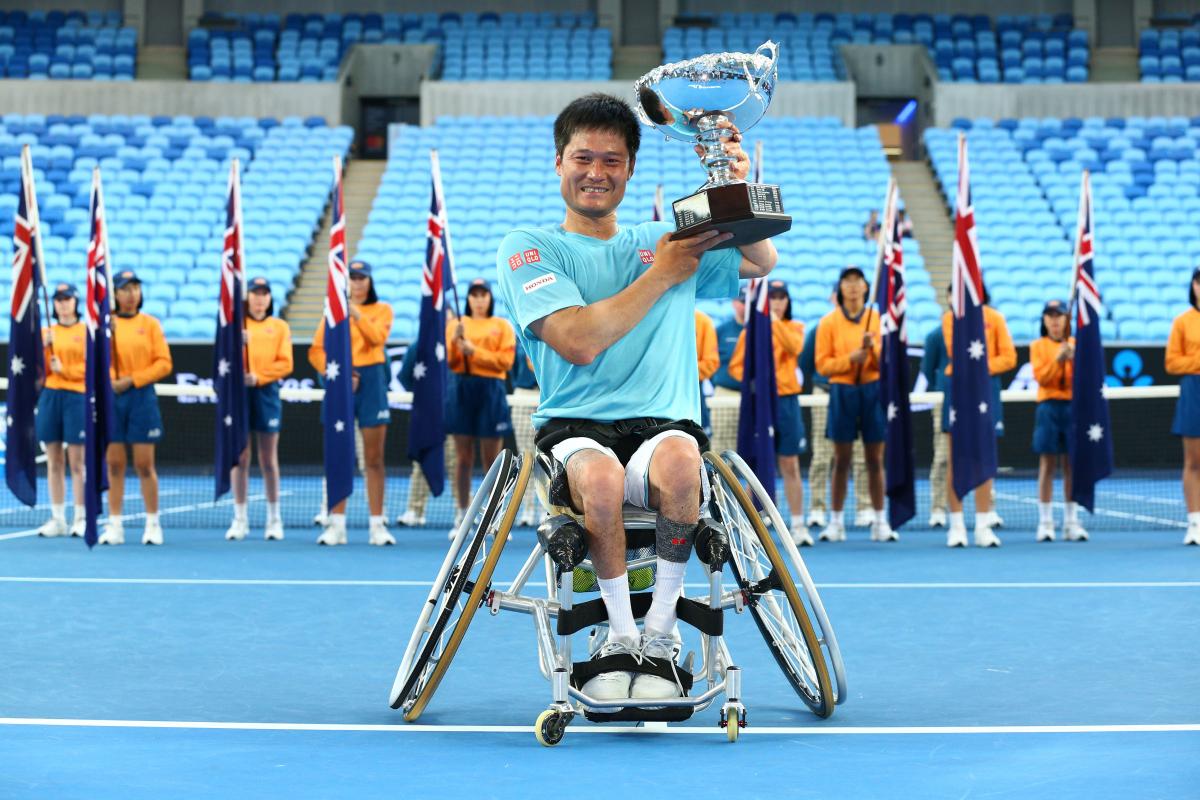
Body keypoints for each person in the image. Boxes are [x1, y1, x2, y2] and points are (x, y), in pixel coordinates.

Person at [494, 93, 776, 705]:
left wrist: (733, 182)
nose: (596, 172)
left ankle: (659, 634)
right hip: (575, 427)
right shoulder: (530, 247)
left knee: (682, 464)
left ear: (630, 169)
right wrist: (663, 274)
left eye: (612, 161)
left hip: (663, 426)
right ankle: (619, 637)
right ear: (559, 162)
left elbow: (761, 257)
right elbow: (576, 341)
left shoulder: (665, 237)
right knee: (597, 480)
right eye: (583, 157)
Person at [307, 259, 395, 546]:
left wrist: (353, 311)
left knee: (374, 458)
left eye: (362, 278)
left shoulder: (382, 310)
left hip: (372, 382)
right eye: (353, 278)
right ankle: (337, 525)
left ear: (369, 282)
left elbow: (377, 338)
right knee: (338, 453)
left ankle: (376, 525)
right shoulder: (332, 316)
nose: (357, 282)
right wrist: (336, 373)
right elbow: (316, 351)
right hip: (342, 381)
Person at [814, 266, 894, 543]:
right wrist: (851, 359)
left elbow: (886, 364)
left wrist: (873, 350)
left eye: (856, 281)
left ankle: (881, 520)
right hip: (842, 391)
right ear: (840, 288)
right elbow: (823, 365)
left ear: (865, 287)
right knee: (842, 459)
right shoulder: (828, 323)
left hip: (871, 391)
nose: (852, 286)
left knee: (875, 459)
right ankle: (835, 521)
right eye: (846, 281)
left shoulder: (876, 320)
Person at [728, 279, 809, 544]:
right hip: (761, 403)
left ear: (787, 301)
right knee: (758, 462)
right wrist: (756, 381)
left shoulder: (794, 327)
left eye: (781, 297)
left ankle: (798, 524)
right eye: (772, 297)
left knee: (790, 463)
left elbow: (795, 348)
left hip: (786, 401)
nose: (776, 301)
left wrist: (773, 322)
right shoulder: (750, 333)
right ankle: (755, 524)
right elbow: (736, 368)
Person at [99, 270, 172, 545]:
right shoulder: (106, 325)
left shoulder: (150, 324)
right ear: (115, 295)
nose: (131, 294)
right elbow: (93, 361)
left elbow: (164, 362)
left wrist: (133, 379)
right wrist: (110, 379)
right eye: (125, 289)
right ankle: (114, 524)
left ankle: (153, 523)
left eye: (135, 289)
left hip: (141, 398)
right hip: (112, 398)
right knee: (114, 464)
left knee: (144, 464)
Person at [940, 283, 1015, 547]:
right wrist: (977, 367)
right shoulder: (950, 319)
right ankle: (957, 525)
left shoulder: (995, 318)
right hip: (958, 389)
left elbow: (1009, 357)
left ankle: (983, 524)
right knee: (955, 458)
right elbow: (954, 352)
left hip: (986, 390)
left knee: (985, 457)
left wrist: (982, 369)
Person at [445, 278, 516, 536]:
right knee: (463, 458)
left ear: (489, 297)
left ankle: (494, 518)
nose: (478, 299)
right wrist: (455, 344)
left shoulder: (501, 325)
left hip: (491, 391)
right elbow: (452, 363)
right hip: (462, 389)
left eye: (483, 294)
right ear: (468, 299)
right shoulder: (457, 324)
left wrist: (474, 351)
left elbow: (505, 363)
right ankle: (462, 515)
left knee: (492, 460)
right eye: (474, 295)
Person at [224, 277, 293, 542]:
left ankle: (274, 518)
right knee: (240, 457)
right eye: (255, 293)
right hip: (239, 396)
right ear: (248, 297)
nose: (260, 298)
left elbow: (285, 363)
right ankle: (240, 518)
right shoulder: (236, 326)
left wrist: (260, 376)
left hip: (266, 394)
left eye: (264, 294)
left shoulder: (279, 327)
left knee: (268, 459)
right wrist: (234, 343)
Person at [801, 289, 871, 529]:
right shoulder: (822, 327)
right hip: (826, 394)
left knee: (861, 455)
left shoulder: (865, 326)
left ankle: (864, 507)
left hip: (857, 393)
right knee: (823, 454)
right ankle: (818, 508)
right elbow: (806, 361)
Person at [1029, 299, 1087, 543]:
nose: (1055, 320)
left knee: (1071, 465)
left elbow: (1085, 379)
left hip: (1072, 407)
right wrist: (1058, 360)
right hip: (1048, 407)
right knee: (1047, 464)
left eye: (1059, 315)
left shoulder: (1077, 345)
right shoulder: (1038, 346)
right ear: (1044, 320)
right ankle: (1045, 521)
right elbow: (1042, 377)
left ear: (1066, 319)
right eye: (1050, 316)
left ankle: (1071, 521)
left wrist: (1074, 359)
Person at [34, 283, 87, 538]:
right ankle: (57, 518)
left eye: (67, 299)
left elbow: (91, 369)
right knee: (54, 460)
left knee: (77, 462)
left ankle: (80, 516)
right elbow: (36, 372)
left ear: (76, 302)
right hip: (51, 396)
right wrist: (42, 349)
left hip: (76, 397)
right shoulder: (47, 333)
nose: (63, 303)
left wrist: (65, 369)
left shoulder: (86, 332)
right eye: (58, 300)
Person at [1166, 267, 1200, 546]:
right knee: (1193, 460)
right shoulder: (1182, 322)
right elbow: (1172, 362)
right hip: (1193, 391)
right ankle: (1195, 522)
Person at [919, 319, 950, 528]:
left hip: (976, 401)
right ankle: (938, 507)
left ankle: (989, 508)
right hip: (944, 399)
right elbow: (928, 369)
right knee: (942, 455)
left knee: (980, 456)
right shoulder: (936, 335)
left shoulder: (981, 328)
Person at [707, 295, 744, 460]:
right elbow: (710, 358)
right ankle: (719, 484)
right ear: (735, 303)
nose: (745, 305)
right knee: (722, 443)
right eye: (742, 301)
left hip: (752, 395)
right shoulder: (722, 330)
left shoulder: (761, 330)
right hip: (725, 392)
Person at [694, 309, 719, 437]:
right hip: (659, 392)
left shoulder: (702, 321)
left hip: (694, 391)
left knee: (700, 441)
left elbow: (711, 362)